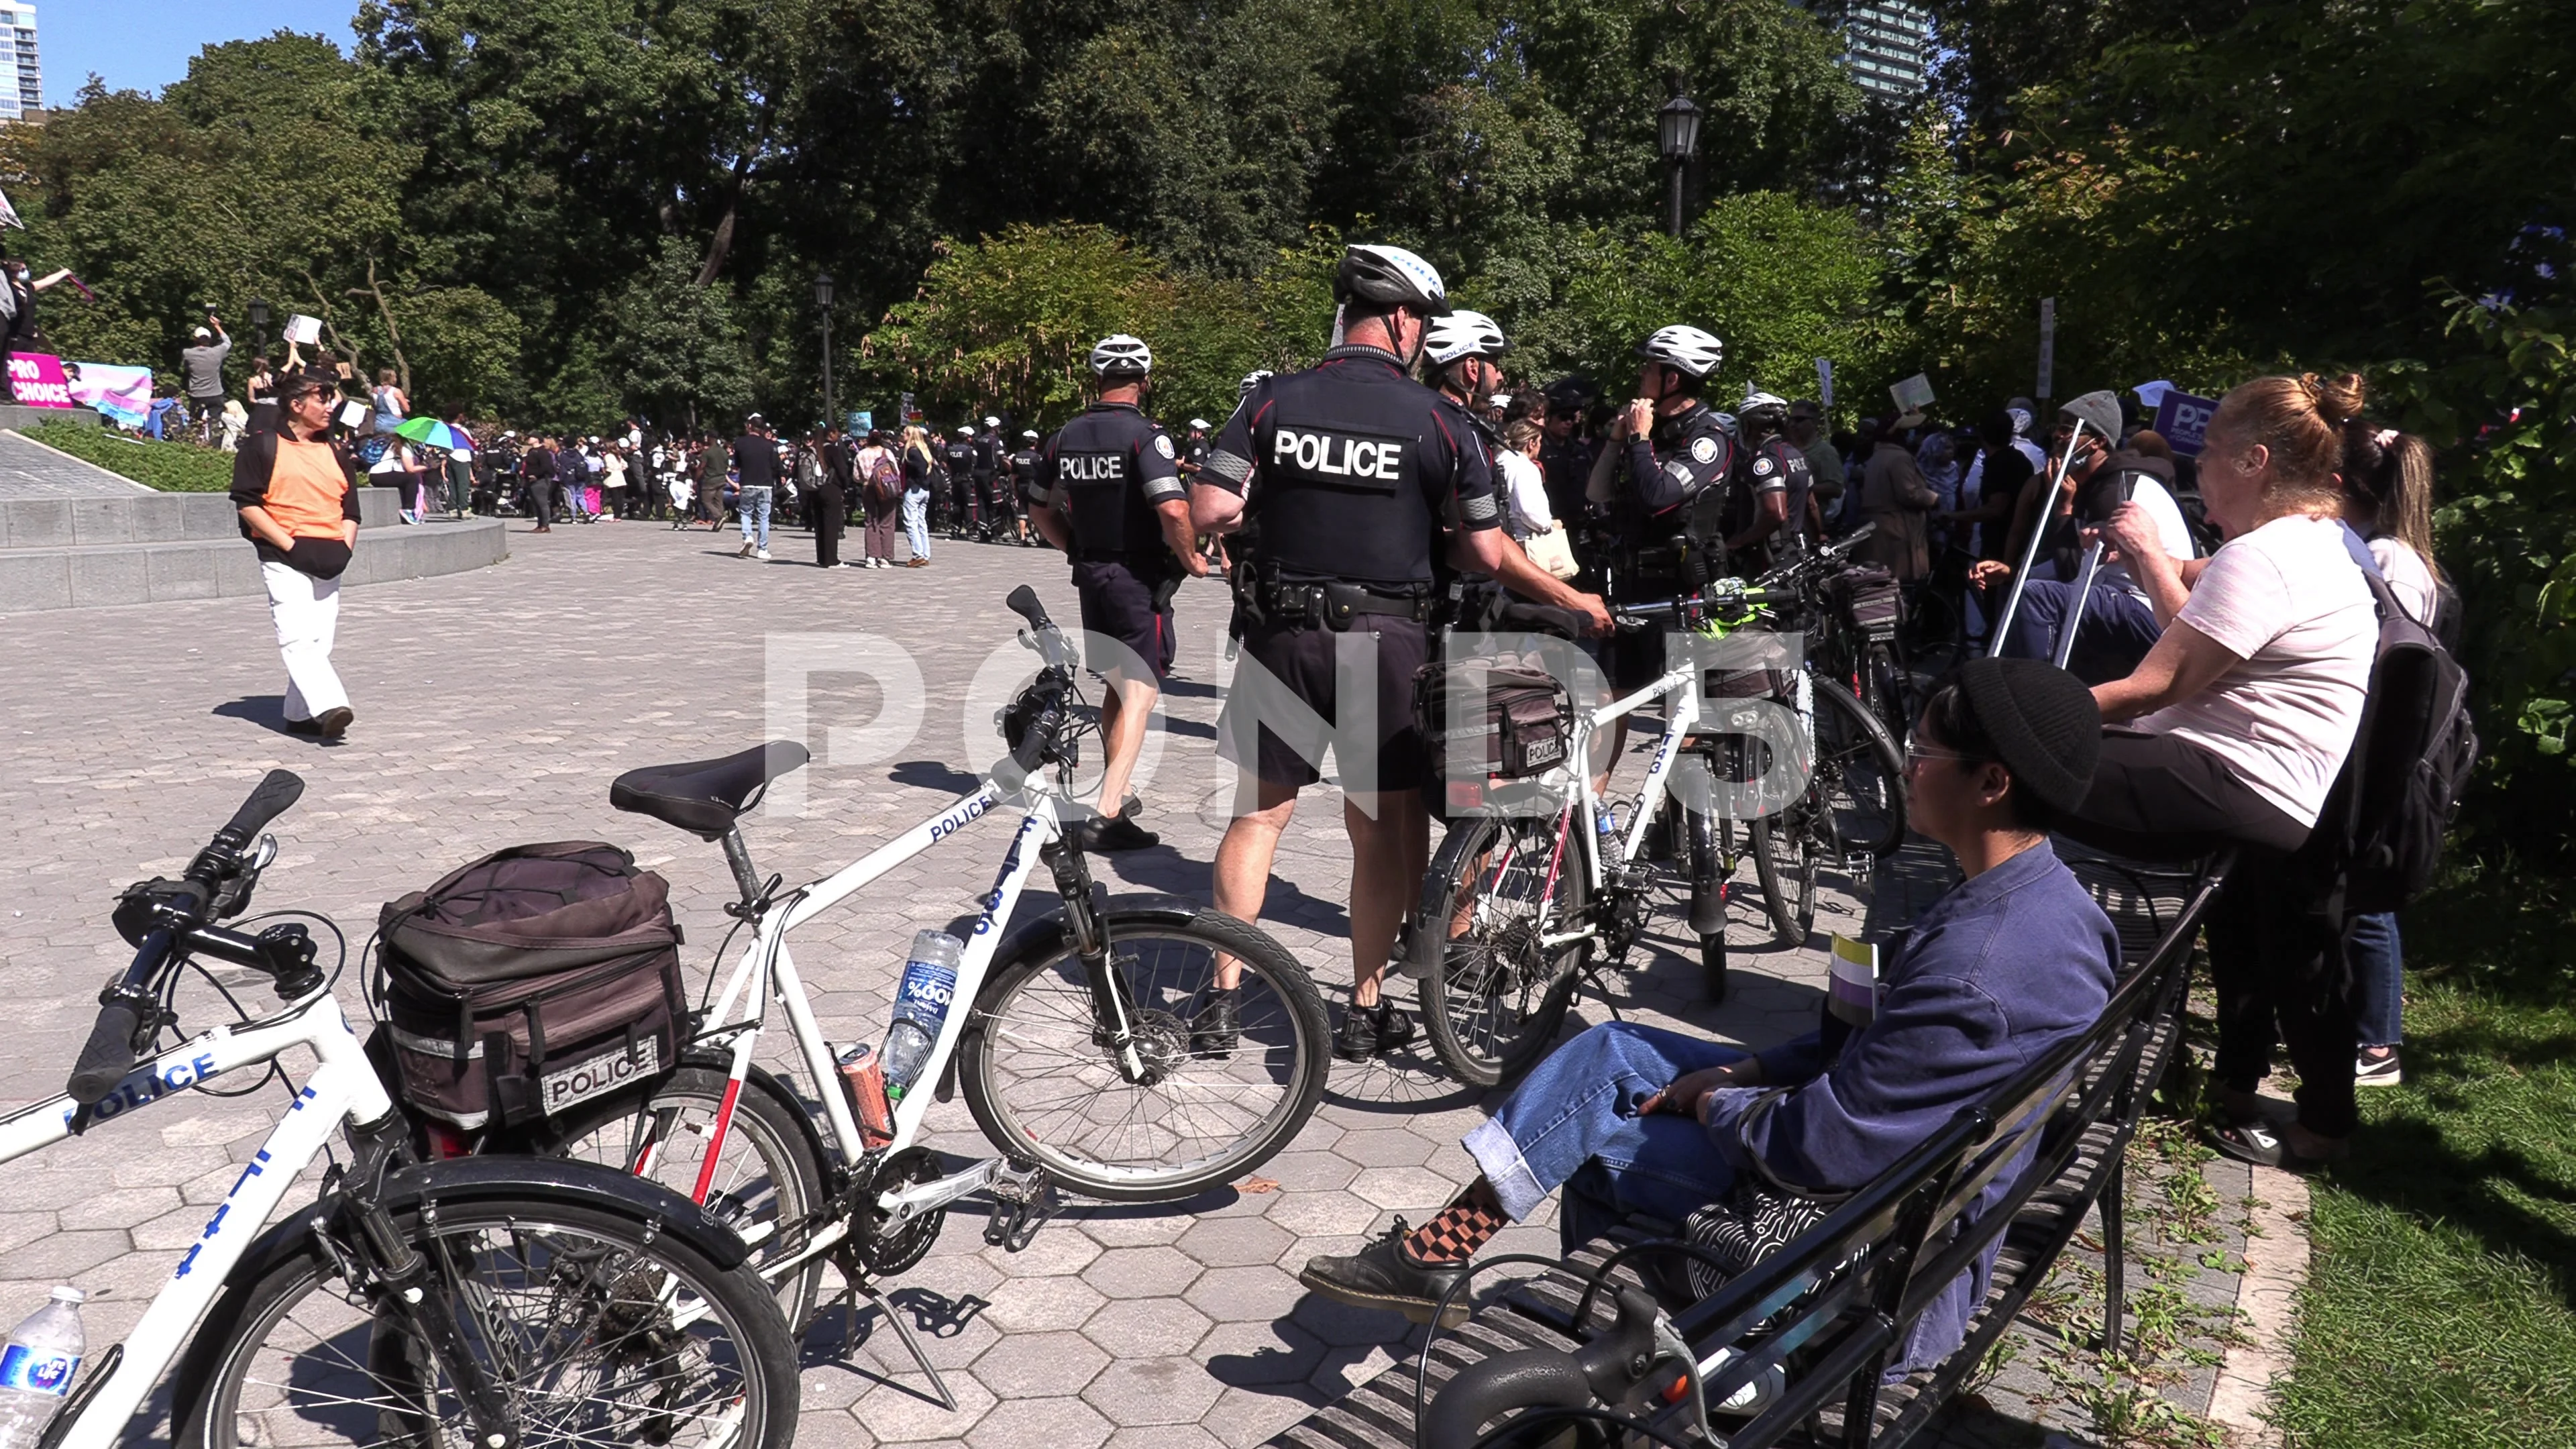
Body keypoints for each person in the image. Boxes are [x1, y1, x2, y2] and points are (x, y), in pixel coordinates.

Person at [1299, 659, 2118, 1378]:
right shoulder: (2048, 907)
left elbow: (1822, 1145)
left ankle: (1621, 1357)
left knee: (1589, 1143)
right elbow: (1870, 1061)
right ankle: (1445, 1248)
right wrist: (1742, 1070)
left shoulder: (1977, 969)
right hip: (1899, 1187)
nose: (1905, 764)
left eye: (1926, 752)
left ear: (1991, 782)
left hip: (1864, 1252)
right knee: (1613, 1048)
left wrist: (1714, 1103)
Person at [1190, 243, 1511, 1059]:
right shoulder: (1440, 420)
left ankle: (1221, 998)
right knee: (1373, 829)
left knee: (1257, 818)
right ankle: (1364, 1010)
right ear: (1404, 320)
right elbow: (1483, 549)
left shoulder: (1271, 401)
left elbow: (1211, 507)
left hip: (1283, 634)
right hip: (1383, 639)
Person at [2065, 373, 2380, 1172]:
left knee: (2019, 765)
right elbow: (2198, 591)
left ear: (2253, 462)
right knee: (2256, 943)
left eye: (2208, 451)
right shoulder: (2299, 543)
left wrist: (2018, 716)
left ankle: (2008, 1010)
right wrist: (2154, 557)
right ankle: (2244, 1095)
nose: (2195, 466)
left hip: (2249, 778)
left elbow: (2162, 681)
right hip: (2277, 783)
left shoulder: (2271, 555)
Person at [1025, 336, 1208, 849]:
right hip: (1138, 579)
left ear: (1095, 380)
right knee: (1141, 689)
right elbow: (1172, 508)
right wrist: (1194, 559)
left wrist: (1073, 548)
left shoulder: (1066, 436)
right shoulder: (1146, 437)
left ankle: (1117, 795)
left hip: (1093, 575)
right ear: (1145, 382)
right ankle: (1107, 813)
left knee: (1114, 683)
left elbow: (1040, 508)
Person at [2341, 424, 2444, 1090]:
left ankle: (2379, 1045)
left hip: (2380, 745)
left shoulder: (2384, 559)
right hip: (2385, 742)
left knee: (2368, 895)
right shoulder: (2402, 554)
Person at [1975, 392, 2198, 682]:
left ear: (2097, 442)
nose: (2058, 436)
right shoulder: (2096, 484)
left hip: (2150, 607)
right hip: (2116, 595)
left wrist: (2064, 509)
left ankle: (2036, 690)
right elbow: (2068, 563)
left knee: (2037, 597)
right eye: (2057, 427)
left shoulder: (2118, 488)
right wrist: (2013, 573)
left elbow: (2073, 571)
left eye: (2068, 430)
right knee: (2023, 588)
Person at [230, 369, 366, 739]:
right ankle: (330, 705)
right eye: (323, 399)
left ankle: (298, 713)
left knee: (320, 641)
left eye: (331, 399)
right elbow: (248, 504)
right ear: (296, 404)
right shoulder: (263, 446)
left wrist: (345, 549)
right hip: (283, 554)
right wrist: (291, 545)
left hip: (330, 557)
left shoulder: (337, 452)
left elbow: (350, 511)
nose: (330, 406)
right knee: (298, 636)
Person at [1730, 390, 1815, 562]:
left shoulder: (1764, 460)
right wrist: (1819, 536)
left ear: (1750, 425)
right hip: (1798, 546)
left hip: (1773, 553)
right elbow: (1811, 505)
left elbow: (1776, 514)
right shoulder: (1795, 454)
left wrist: (1740, 541)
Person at [1854, 411, 1938, 581]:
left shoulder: (1879, 455)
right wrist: (1935, 498)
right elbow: (1909, 494)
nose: (1917, 436)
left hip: (1883, 532)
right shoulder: (1899, 457)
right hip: (1896, 533)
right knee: (1902, 585)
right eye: (1912, 431)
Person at [1785, 399, 1842, 531]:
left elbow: (1836, 488)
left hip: (1812, 525)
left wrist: (1798, 488)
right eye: (1791, 420)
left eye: (1799, 420)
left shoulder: (1825, 451)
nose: (1793, 424)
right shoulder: (1786, 449)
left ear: (1814, 422)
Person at [732, 414, 778, 559]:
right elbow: (774, 465)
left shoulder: (740, 442)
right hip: (765, 484)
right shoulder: (769, 445)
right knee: (764, 517)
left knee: (746, 512)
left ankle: (748, 536)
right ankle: (762, 549)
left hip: (747, 482)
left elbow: (737, 464)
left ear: (750, 426)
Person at [182, 318, 233, 445]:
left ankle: (191, 445)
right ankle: (214, 448)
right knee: (214, 423)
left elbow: (186, 370)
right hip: (215, 394)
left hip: (197, 394)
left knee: (195, 422)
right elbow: (228, 342)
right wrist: (217, 326)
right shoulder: (217, 352)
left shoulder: (188, 353)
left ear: (195, 339)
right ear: (209, 340)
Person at [856, 429, 901, 566]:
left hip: (869, 488)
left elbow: (856, 476)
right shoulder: (887, 453)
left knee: (871, 521)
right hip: (886, 489)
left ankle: (871, 556)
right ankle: (885, 557)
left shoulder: (861, 454)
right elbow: (896, 472)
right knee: (887, 522)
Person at [899, 425, 937, 566]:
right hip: (924, 490)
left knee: (911, 522)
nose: (902, 435)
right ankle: (925, 554)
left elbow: (920, 470)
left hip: (915, 490)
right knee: (921, 523)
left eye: (905, 433)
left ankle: (918, 554)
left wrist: (918, 482)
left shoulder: (912, 452)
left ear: (910, 435)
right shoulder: (923, 450)